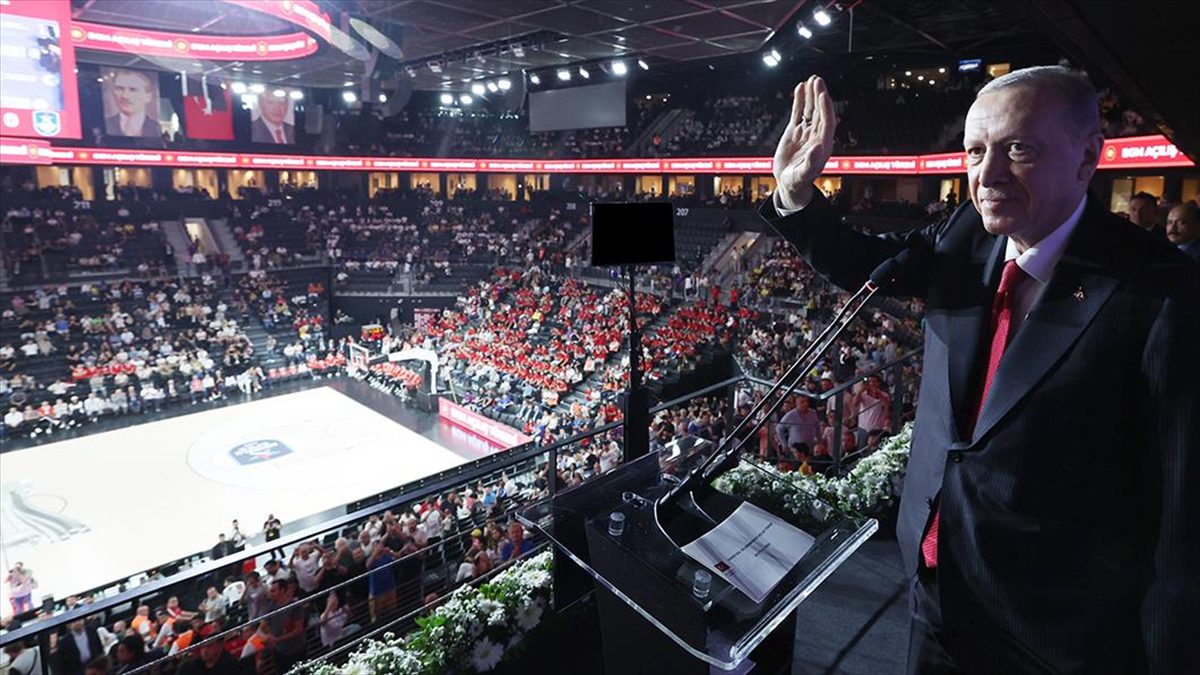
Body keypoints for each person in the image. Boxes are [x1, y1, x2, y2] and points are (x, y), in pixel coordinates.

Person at [762, 68, 1199, 674]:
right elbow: (867, 262)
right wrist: (797, 196)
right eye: (974, 151)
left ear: (1086, 157)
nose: (987, 175)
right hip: (934, 591)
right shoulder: (966, 233)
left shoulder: (1164, 295)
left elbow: (1182, 526)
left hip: (1053, 632)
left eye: (1018, 148)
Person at [104, 69, 160, 138]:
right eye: (120, 88)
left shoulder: (157, 128)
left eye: (133, 90)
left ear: (148, 96)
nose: (125, 96)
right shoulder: (104, 124)